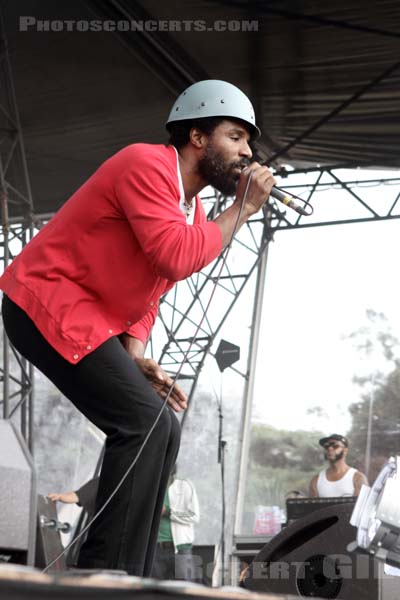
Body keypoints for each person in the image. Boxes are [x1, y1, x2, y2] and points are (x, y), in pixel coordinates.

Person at [0, 79, 276, 576]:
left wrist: (134, 357)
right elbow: (174, 256)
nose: (246, 151)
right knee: (144, 422)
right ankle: (103, 571)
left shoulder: (188, 207)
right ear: (197, 136)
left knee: (163, 425)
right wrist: (244, 209)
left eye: (248, 142)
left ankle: (133, 571)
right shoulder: (145, 164)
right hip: (44, 299)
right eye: (236, 136)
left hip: (86, 316)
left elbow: (151, 289)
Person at [152, 465, 200, 581]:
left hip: (180, 547)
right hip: (155, 548)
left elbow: (194, 516)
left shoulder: (185, 486)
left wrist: (168, 512)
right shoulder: (151, 487)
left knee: (184, 589)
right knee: (155, 589)